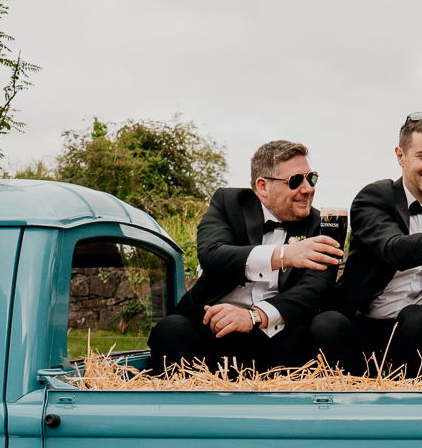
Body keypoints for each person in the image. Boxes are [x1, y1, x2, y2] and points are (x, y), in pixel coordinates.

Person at [146, 140, 342, 374]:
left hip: (281, 336)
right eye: (295, 180)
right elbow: (213, 255)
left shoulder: (322, 225)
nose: (308, 188)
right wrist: (284, 255)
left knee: (328, 327)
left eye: (312, 179)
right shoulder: (227, 204)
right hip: (218, 330)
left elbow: (315, 289)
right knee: (169, 331)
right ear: (263, 186)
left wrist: (255, 317)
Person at [307, 113, 422, 377]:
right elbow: (395, 249)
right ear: (401, 156)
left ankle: (400, 401)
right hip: (362, 325)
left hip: (415, 332)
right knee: (326, 324)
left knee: (419, 317)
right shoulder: (376, 197)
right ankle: (351, 403)